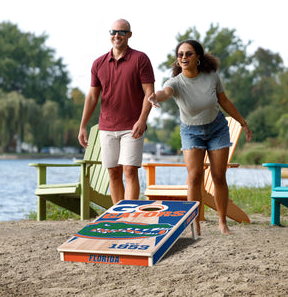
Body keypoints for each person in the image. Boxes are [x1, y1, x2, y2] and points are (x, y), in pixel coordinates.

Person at [148, 40, 252, 235]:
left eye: (188, 54)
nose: (184, 57)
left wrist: (242, 122)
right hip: (191, 132)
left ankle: (222, 223)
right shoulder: (175, 82)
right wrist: (155, 97)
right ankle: (194, 224)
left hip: (217, 129)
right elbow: (165, 93)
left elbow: (224, 101)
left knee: (218, 176)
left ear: (197, 57)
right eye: (180, 55)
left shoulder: (211, 77)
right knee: (194, 176)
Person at [78, 19, 155, 205]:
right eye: (113, 31)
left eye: (122, 32)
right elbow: (92, 97)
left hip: (132, 126)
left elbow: (149, 93)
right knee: (113, 172)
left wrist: (142, 120)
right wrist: (82, 127)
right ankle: (118, 216)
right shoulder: (99, 63)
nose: (117, 35)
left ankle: (130, 215)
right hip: (107, 127)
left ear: (129, 34)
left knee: (129, 170)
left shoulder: (140, 59)